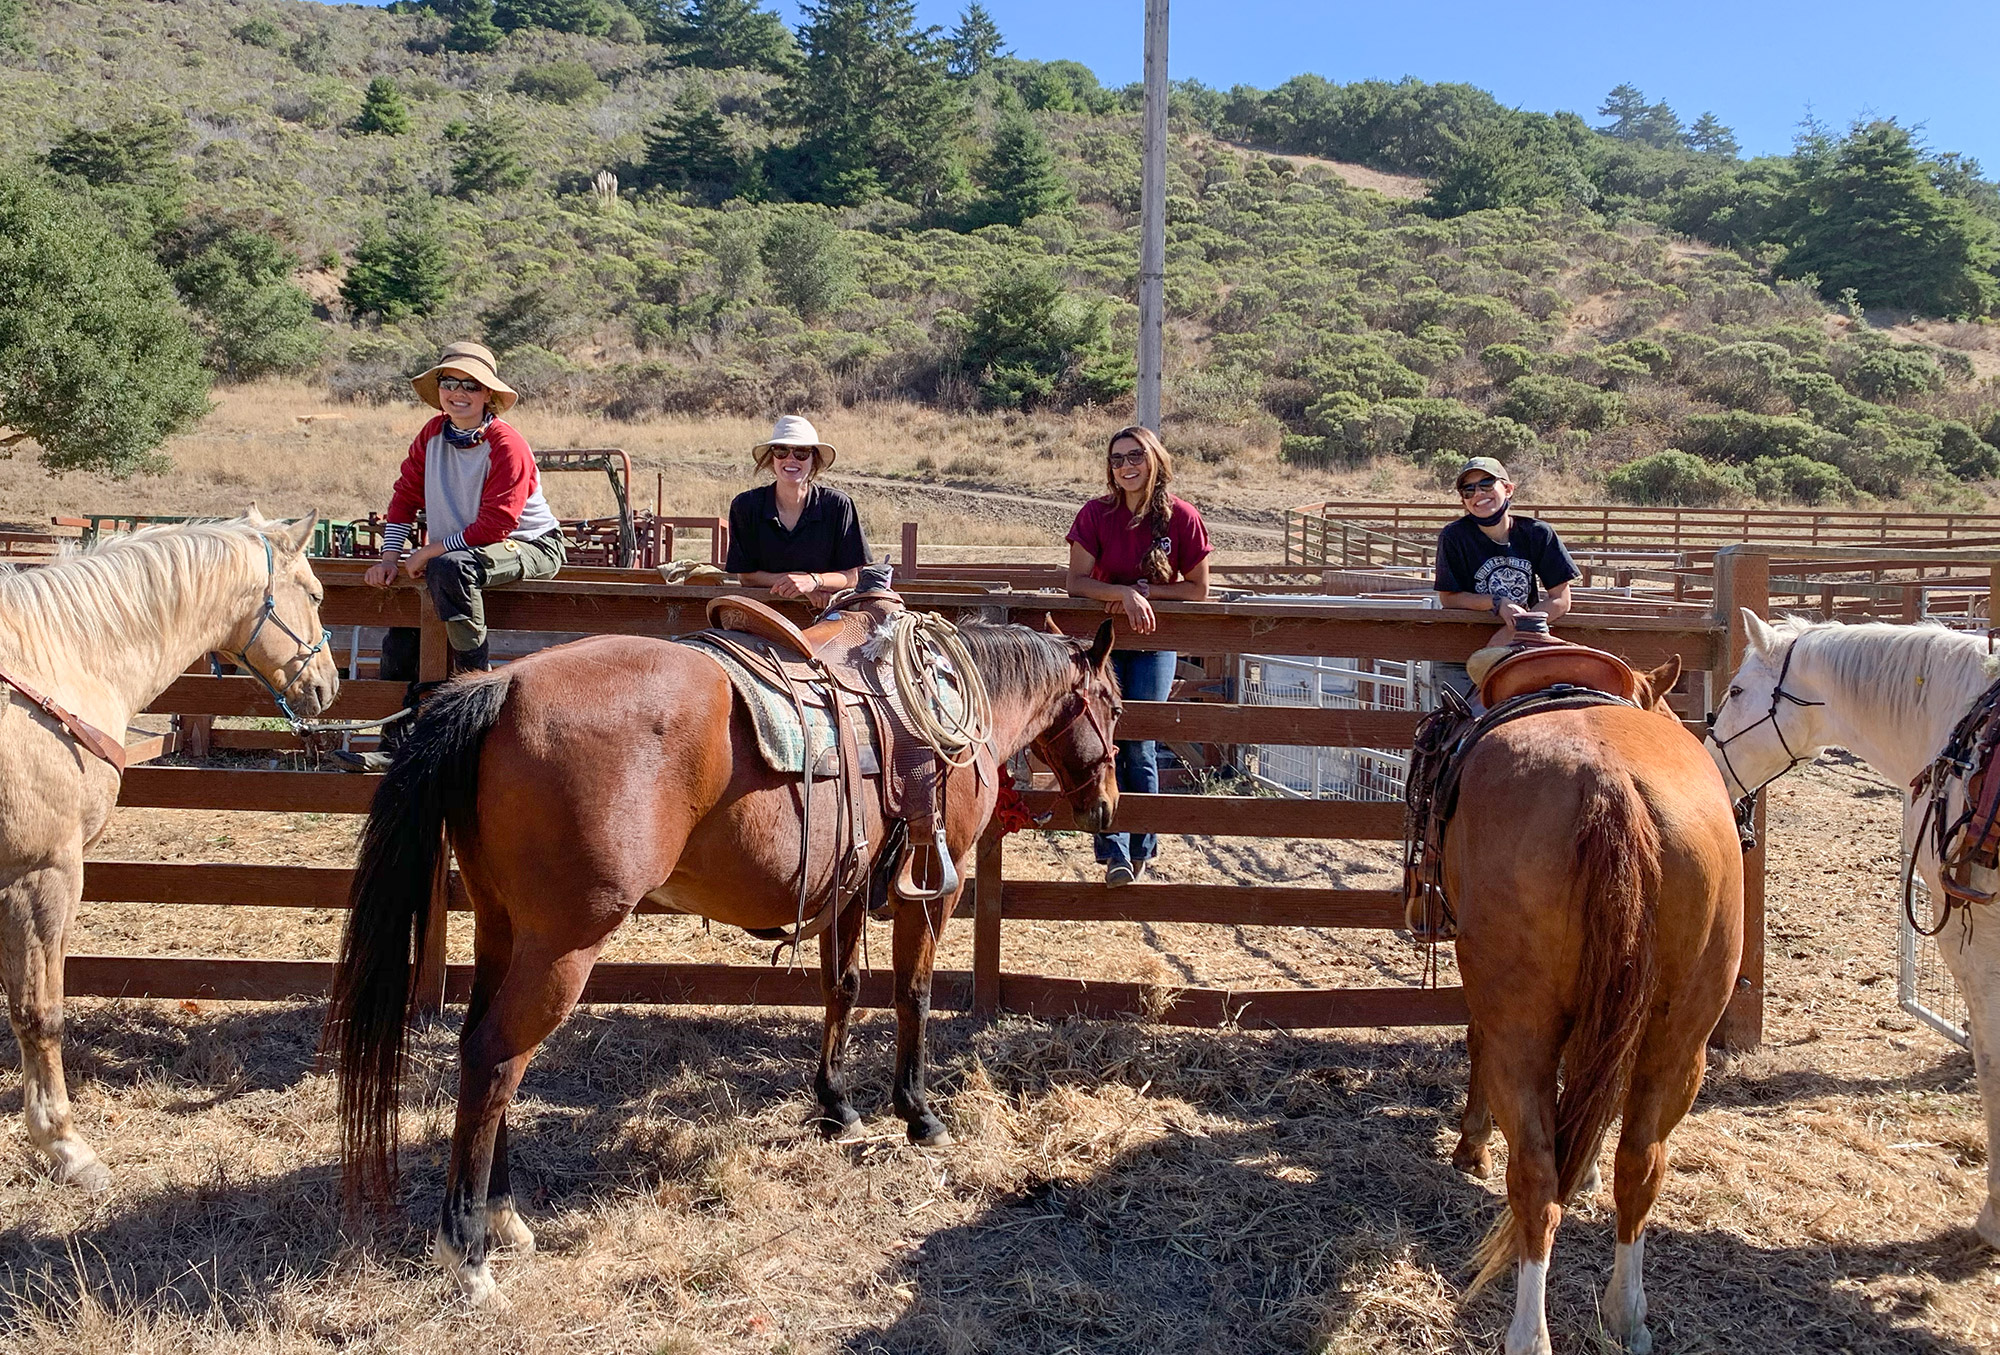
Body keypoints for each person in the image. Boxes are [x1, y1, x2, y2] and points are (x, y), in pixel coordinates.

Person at [368, 339, 567, 685]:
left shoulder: (507, 446)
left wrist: (431, 549)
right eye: (449, 382)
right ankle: (396, 727)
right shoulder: (431, 435)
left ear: (487, 394)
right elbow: (404, 498)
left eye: (471, 385)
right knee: (405, 617)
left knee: (450, 567)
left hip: (530, 544)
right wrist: (389, 557)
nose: (458, 393)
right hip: (460, 550)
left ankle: (473, 676)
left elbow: (497, 524)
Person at [1064, 425, 1212, 887]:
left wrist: (1149, 594)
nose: (1126, 466)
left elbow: (1199, 589)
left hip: (1152, 643)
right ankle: (1113, 851)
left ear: (1154, 460)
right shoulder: (1096, 514)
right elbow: (1077, 582)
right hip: (1104, 642)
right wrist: (1122, 593)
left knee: (1140, 742)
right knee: (1099, 739)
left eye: (1135, 457)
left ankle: (1140, 847)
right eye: (1117, 459)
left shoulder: (1181, 517)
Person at [1431, 456, 1579, 705]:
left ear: (1508, 489)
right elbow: (1449, 598)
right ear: (1463, 500)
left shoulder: (1537, 534)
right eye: (1469, 489)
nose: (1478, 493)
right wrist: (1497, 603)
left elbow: (1561, 600)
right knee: (1459, 730)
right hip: (1460, 656)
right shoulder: (1454, 537)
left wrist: (1517, 627)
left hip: (1521, 651)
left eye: (1487, 484)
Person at [725, 416, 870, 606]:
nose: (790, 459)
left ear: (813, 459)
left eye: (801, 452)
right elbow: (746, 576)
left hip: (825, 616)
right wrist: (796, 582)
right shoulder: (746, 506)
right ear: (771, 457)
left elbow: (852, 577)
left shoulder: (838, 505)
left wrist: (814, 581)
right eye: (781, 451)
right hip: (761, 614)